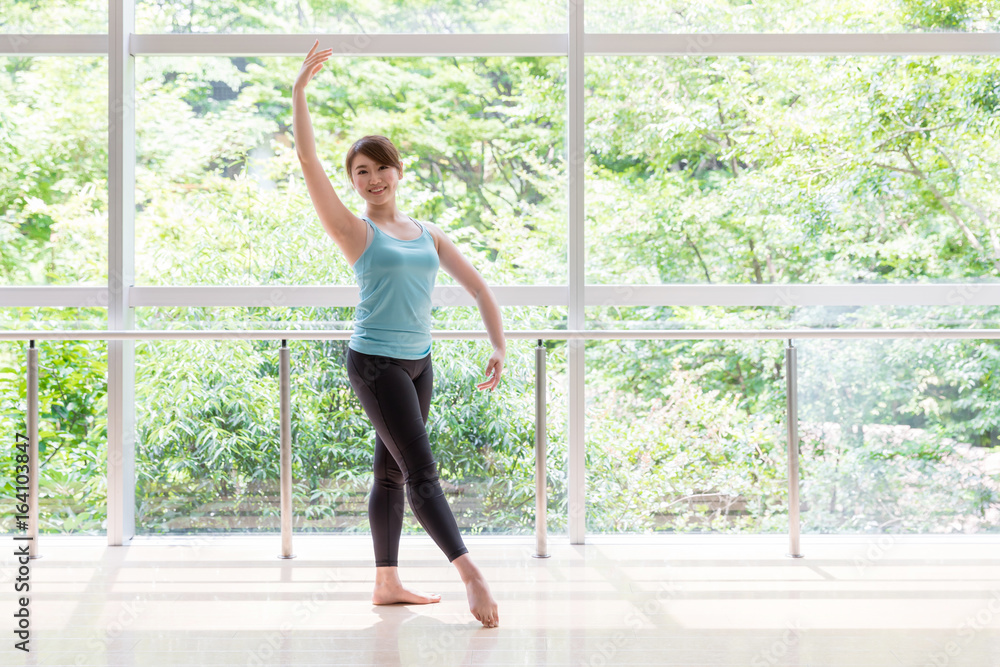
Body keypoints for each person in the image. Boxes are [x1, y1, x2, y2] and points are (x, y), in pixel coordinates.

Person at [292, 40, 503, 629]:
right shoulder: (354, 232)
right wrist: (299, 93)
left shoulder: (427, 234)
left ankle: (387, 583)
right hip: (376, 364)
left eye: (382, 167)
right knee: (421, 472)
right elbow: (309, 163)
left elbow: (481, 289)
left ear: (398, 170)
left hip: (419, 361)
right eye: (362, 172)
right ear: (354, 183)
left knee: (389, 471)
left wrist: (498, 344)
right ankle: (472, 576)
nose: (374, 178)